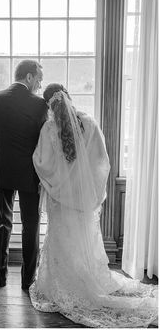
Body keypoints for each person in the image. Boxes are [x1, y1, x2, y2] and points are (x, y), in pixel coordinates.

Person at [29, 83, 158, 328]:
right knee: (83, 240)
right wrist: (87, 188)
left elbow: (41, 163)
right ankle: (86, 279)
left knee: (62, 241)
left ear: (48, 105)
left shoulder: (48, 128)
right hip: (83, 200)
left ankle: (63, 284)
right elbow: (102, 161)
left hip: (59, 200)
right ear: (69, 96)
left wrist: (57, 181)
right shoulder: (89, 123)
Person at [0, 60, 48, 289]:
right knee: (31, 226)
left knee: (3, 224)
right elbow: (44, 143)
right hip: (29, 173)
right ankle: (27, 280)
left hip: (1, 169)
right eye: (39, 79)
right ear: (29, 77)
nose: (40, 85)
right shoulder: (40, 105)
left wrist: (3, 156)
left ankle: (0, 277)